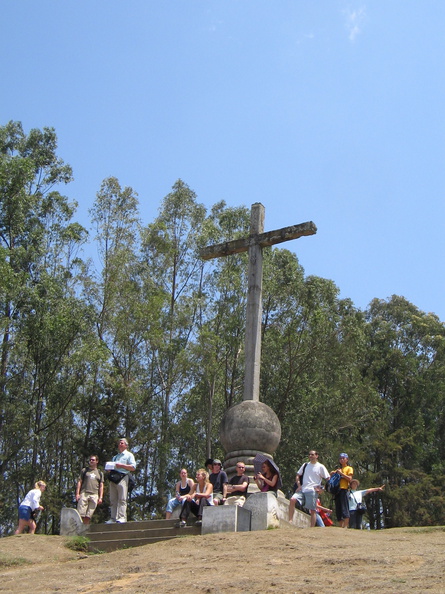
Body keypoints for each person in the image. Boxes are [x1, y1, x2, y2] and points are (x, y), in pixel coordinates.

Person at [288, 450, 330, 526]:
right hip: (303, 489)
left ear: (316, 456)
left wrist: (322, 489)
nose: (310, 456)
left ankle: (312, 527)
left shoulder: (320, 467)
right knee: (292, 499)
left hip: (312, 490)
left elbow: (328, 479)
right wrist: (299, 485)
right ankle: (290, 520)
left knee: (313, 510)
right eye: (309, 455)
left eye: (312, 455)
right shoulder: (305, 465)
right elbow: (298, 475)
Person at [107, 437, 136, 524]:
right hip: (113, 478)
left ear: (126, 445)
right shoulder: (115, 457)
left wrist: (122, 465)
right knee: (113, 499)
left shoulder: (129, 455)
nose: (120, 444)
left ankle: (122, 517)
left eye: (122, 443)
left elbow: (133, 467)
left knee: (122, 498)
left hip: (123, 477)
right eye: (119, 443)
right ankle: (113, 518)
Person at [76, 454, 104, 524]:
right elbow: (80, 482)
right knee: (80, 514)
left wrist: (100, 497)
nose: (91, 461)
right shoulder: (85, 470)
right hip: (84, 493)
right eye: (90, 460)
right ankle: (78, 529)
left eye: (93, 460)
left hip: (94, 495)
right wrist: (77, 493)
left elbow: (101, 485)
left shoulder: (100, 473)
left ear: (97, 461)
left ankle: (84, 530)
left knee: (88, 515)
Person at [330, 452, 354, 528]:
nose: (342, 460)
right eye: (340, 458)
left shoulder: (349, 468)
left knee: (345, 508)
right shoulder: (338, 469)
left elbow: (350, 479)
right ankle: (340, 526)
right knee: (338, 508)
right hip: (337, 490)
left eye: (343, 458)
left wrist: (341, 474)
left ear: (347, 459)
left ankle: (346, 526)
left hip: (344, 489)